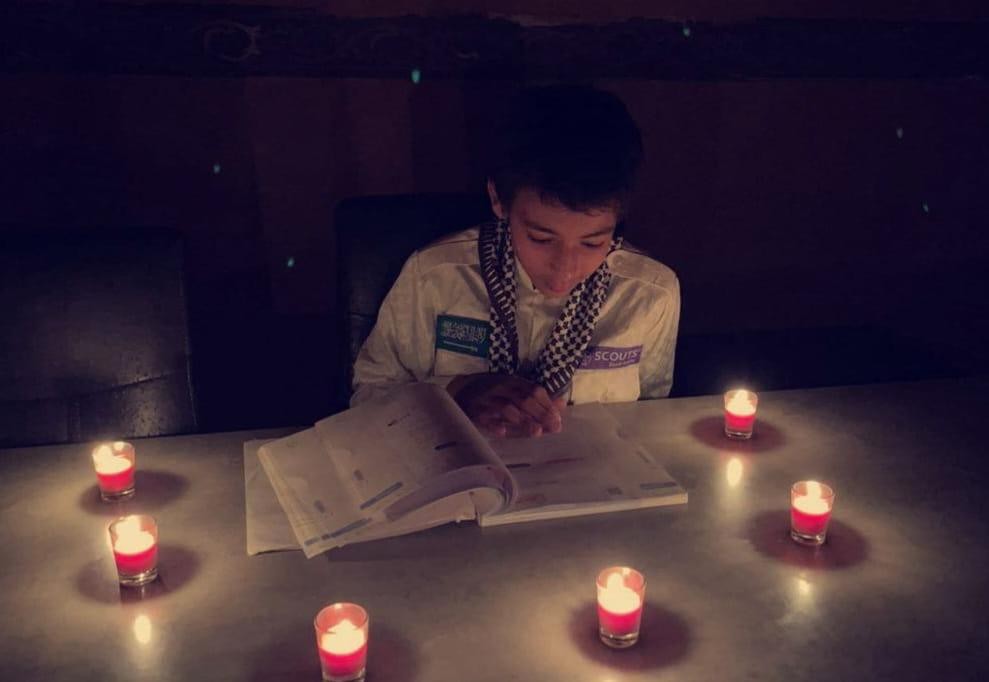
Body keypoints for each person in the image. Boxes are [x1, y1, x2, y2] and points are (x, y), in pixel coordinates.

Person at [352, 84, 680, 438]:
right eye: (541, 238)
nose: (565, 268)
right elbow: (368, 397)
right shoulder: (434, 278)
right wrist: (457, 391)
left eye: (592, 243)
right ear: (498, 200)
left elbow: (651, 419)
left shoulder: (650, 295)